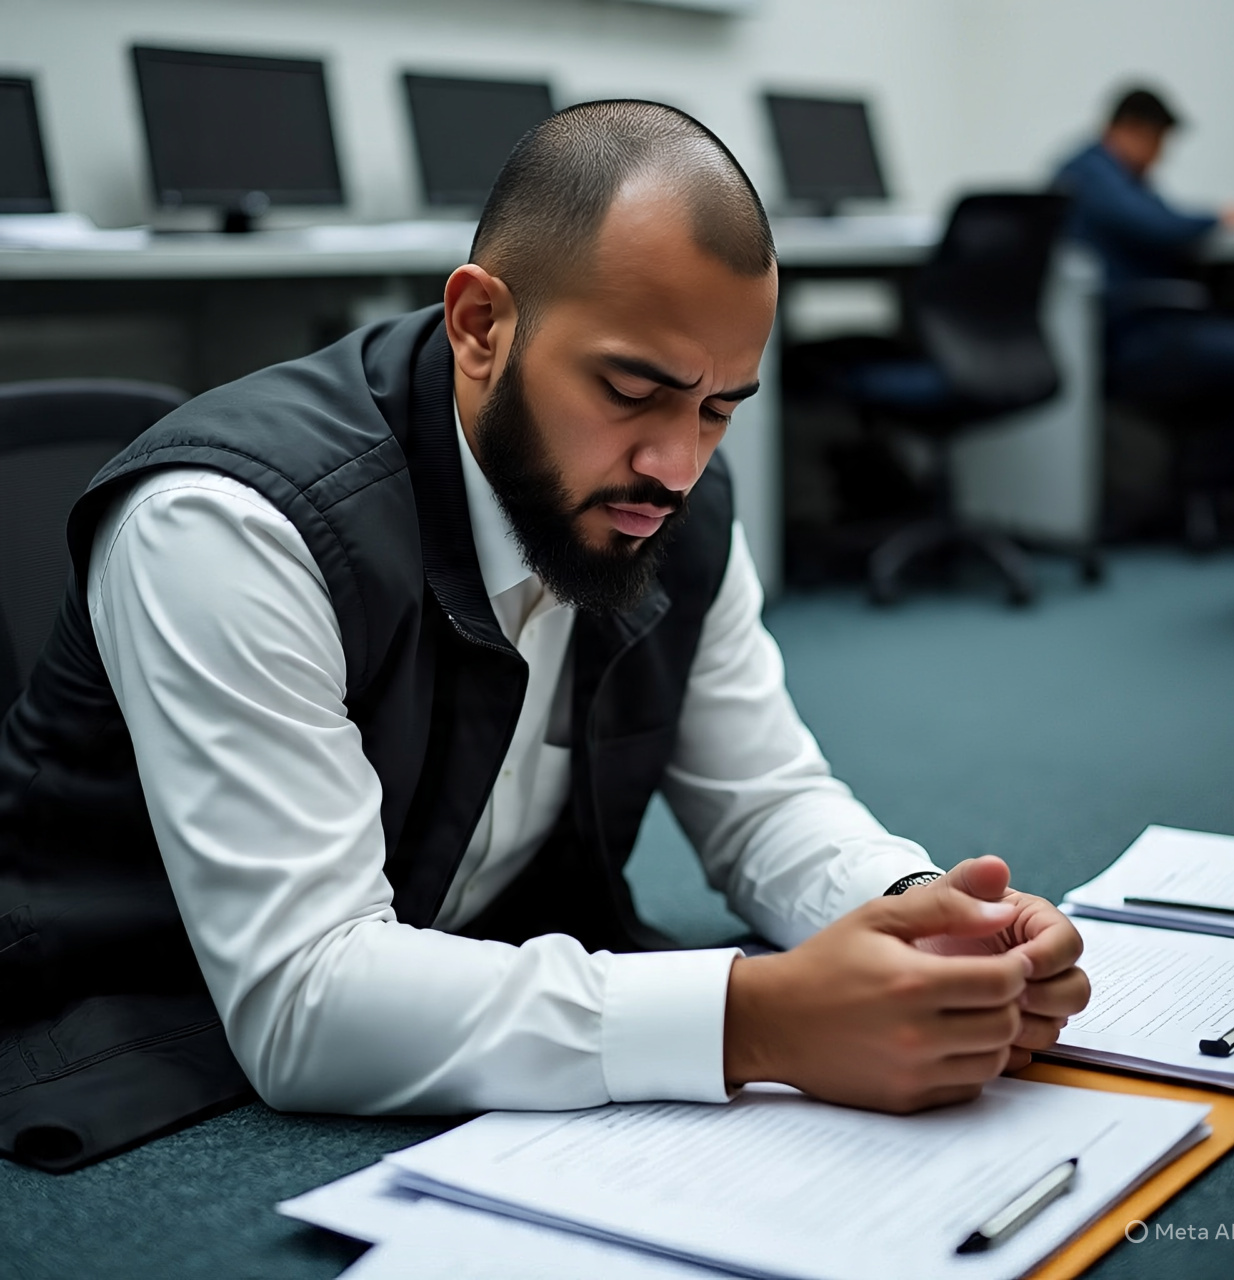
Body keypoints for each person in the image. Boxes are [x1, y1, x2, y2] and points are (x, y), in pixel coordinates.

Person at [0, 101, 1087, 1169]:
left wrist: (920, 915)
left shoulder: (669, 503)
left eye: (717, 408)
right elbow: (304, 998)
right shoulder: (232, 523)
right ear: (480, 325)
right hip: (146, 1047)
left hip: (451, 974)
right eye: (631, 389)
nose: (676, 463)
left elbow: (762, 804)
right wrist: (752, 1019)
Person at [1053, 86, 1234, 534]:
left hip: (1158, 322)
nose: (1160, 157)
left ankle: (1220, 480)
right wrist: (1221, 217)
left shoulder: (1122, 177)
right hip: (1134, 332)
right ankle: (1213, 474)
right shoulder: (1090, 173)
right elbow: (1157, 226)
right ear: (1131, 131)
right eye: (1157, 143)